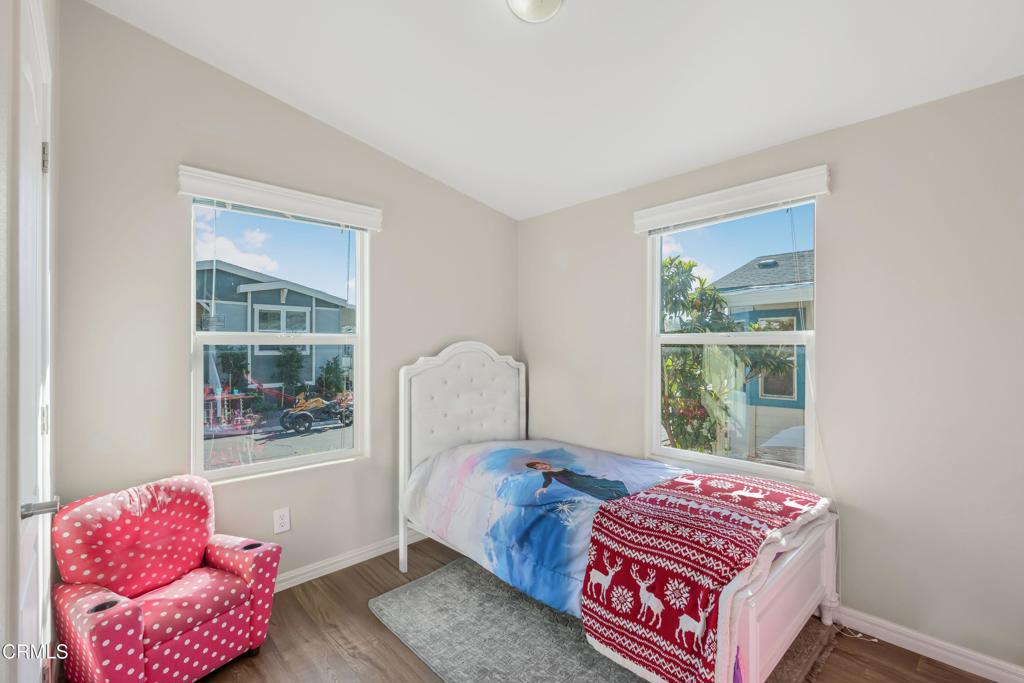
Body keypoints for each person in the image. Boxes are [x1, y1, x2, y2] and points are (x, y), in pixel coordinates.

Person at [527, 461, 630, 501]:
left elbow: (575, 473)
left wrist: (591, 476)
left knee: (600, 482)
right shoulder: (546, 473)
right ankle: (617, 498)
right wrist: (544, 487)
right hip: (575, 483)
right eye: (538, 467)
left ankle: (625, 491)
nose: (542, 467)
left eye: (541, 465)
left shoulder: (559, 466)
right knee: (594, 489)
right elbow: (547, 481)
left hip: (580, 478)